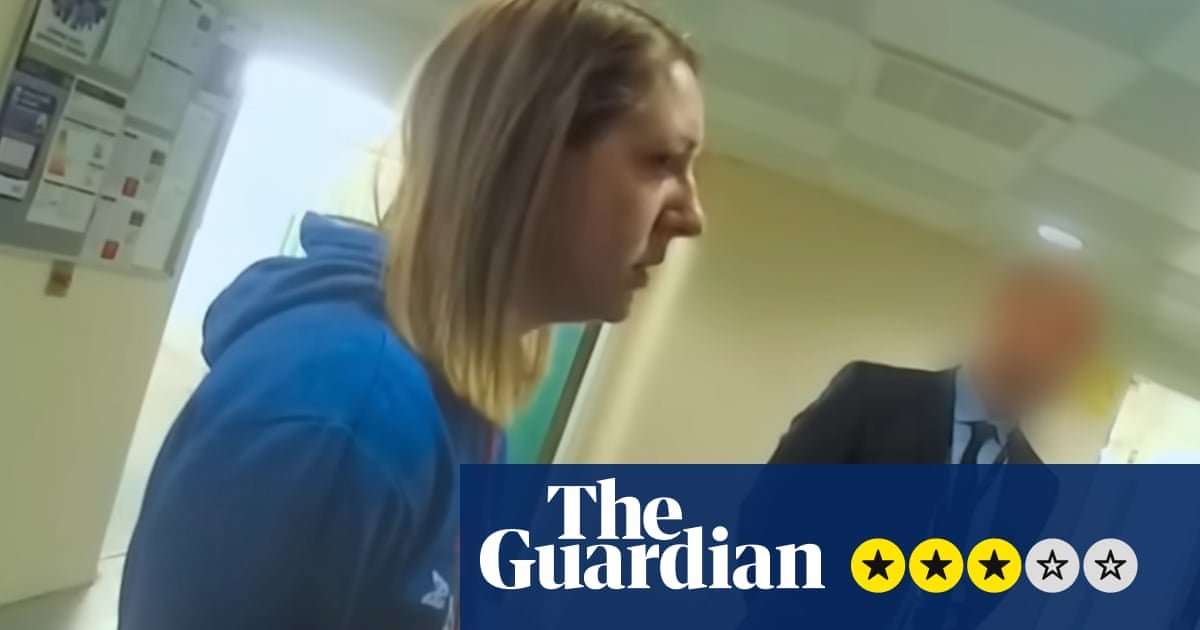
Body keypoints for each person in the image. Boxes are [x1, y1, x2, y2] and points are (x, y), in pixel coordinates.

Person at [118, 1, 705, 628]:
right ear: (525, 153)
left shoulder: (460, 404)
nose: (692, 216)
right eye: (661, 162)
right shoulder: (347, 416)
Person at [766, 260, 1103, 465]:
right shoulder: (870, 398)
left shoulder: (1034, 487)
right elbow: (768, 516)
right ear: (999, 318)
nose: (1045, 353)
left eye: (1068, 342)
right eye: (1040, 326)